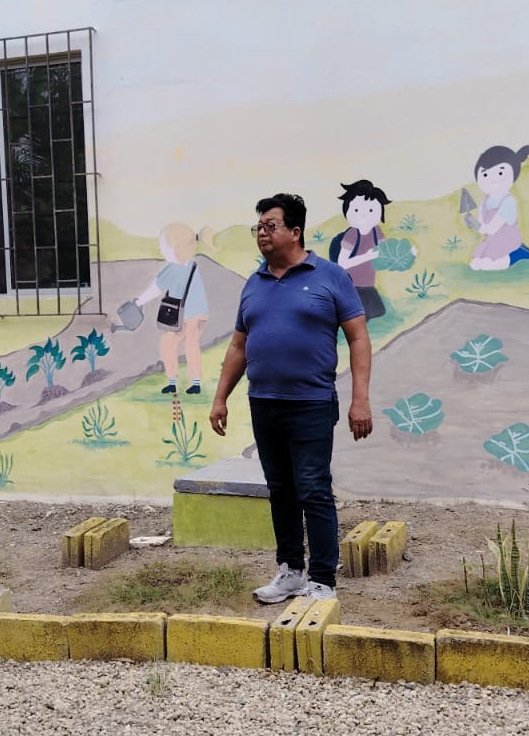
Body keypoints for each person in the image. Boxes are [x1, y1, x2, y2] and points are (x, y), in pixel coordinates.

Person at [209, 193, 373, 603]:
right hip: (264, 402)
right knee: (280, 488)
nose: (262, 233)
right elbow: (238, 346)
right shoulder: (254, 283)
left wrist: (360, 400)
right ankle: (290, 572)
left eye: (271, 226)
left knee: (313, 488)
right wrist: (220, 398)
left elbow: (358, 338)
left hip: (312, 402)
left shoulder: (330, 277)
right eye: (258, 227)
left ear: (295, 231)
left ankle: (322, 580)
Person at [129, 222, 215, 395]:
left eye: (163, 245)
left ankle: (172, 382)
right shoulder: (192, 265)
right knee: (191, 346)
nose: (160, 248)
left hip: (182, 316)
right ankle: (195, 383)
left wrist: (139, 302)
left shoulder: (172, 268)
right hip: (200, 314)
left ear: (173, 248)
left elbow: (155, 289)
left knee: (168, 345)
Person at [326, 179, 393, 321]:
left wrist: (406, 253)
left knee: (378, 313)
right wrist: (367, 256)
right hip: (353, 286)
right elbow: (342, 263)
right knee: (359, 318)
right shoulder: (352, 235)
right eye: (356, 210)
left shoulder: (376, 231)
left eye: (371, 210)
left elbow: (385, 251)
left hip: (368, 284)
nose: (364, 215)